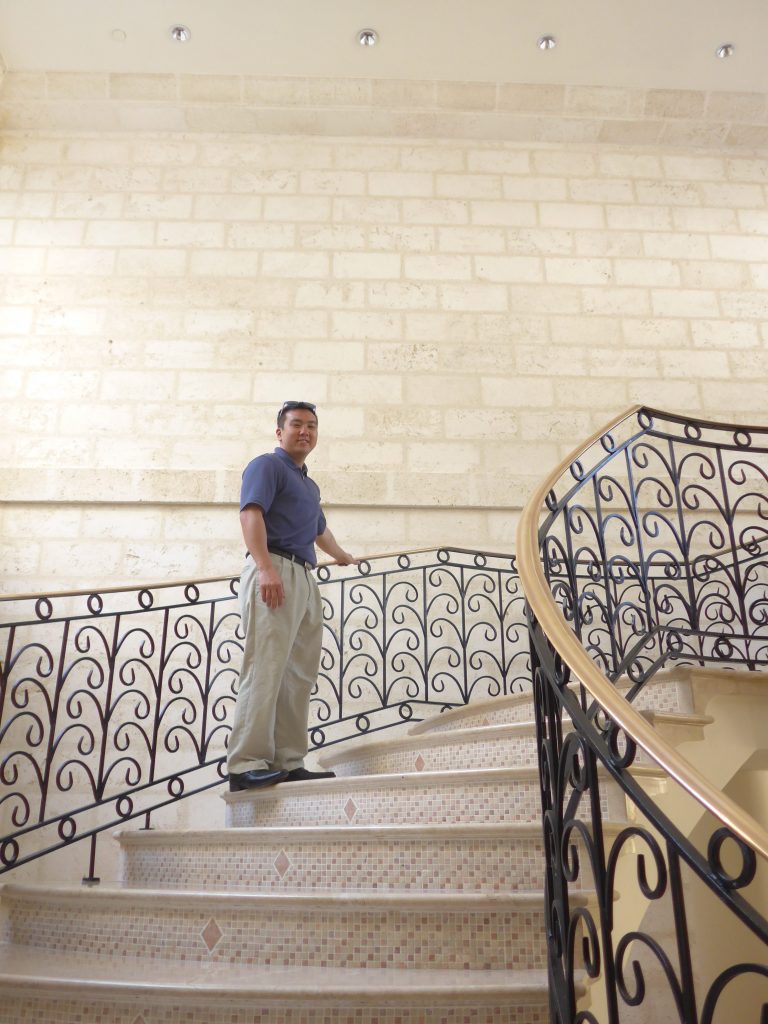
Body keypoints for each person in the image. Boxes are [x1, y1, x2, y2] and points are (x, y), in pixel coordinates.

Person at [228, 400, 357, 791]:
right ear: (279, 431)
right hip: (275, 570)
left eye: (312, 426)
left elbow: (320, 531)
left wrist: (342, 556)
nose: (305, 431)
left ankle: (288, 759)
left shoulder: (308, 483)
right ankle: (245, 763)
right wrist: (265, 568)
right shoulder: (267, 466)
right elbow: (251, 514)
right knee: (265, 667)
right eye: (297, 424)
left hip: (304, 575)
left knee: (299, 674)